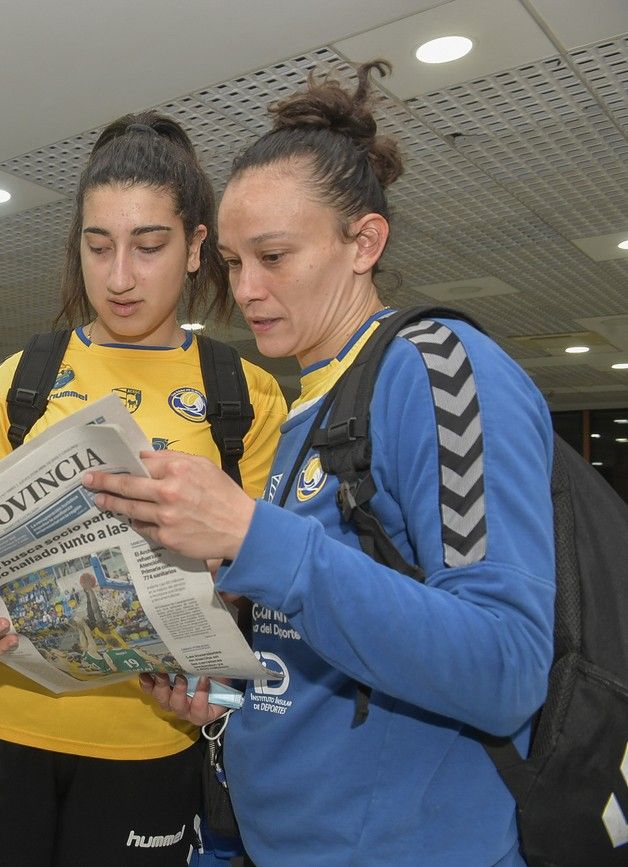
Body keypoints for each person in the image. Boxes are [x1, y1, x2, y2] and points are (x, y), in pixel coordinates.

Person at [84, 61, 555, 866]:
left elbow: (506, 665)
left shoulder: (438, 368)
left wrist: (253, 534)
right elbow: (320, 650)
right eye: (233, 262)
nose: (249, 288)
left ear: (363, 241)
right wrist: (222, 692)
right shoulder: (306, 407)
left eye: (274, 256)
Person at [0, 111, 287, 866]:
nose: (119, 276)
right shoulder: (18, 384)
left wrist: (217, 648)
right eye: (98, 246)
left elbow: (259, 584)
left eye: (149, 247)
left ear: (195, 249)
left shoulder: (244, 398)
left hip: (150, 741)